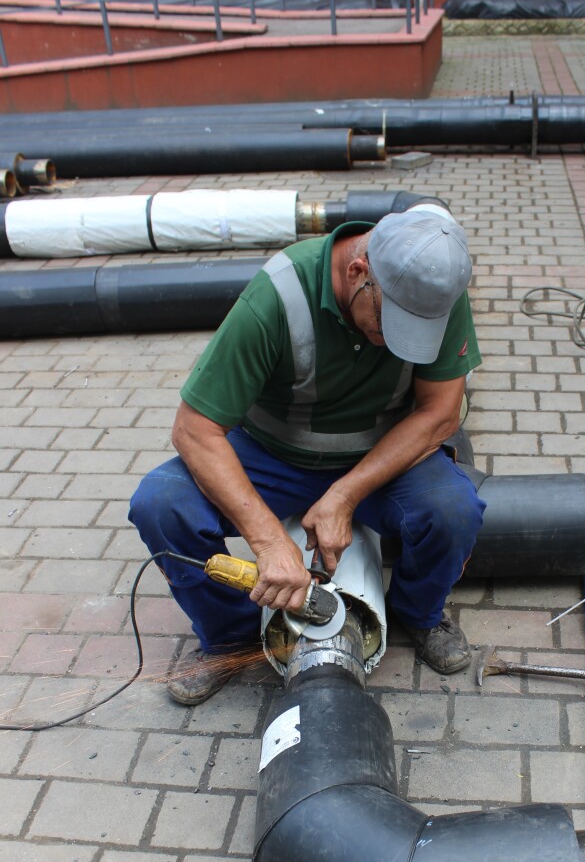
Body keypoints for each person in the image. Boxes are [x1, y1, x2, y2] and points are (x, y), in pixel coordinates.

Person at [129, 204, 485, 705]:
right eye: (387, 325)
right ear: (358, 272)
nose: (396, 342)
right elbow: (194, 430)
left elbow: (440, 413)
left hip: (379, 460)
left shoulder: (433, 291)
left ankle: (419, 614)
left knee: (454, 510)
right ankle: (229, 637)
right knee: (161, 505)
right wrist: (270, 543)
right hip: (273, 455)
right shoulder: (277, 296)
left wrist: (345, 495)